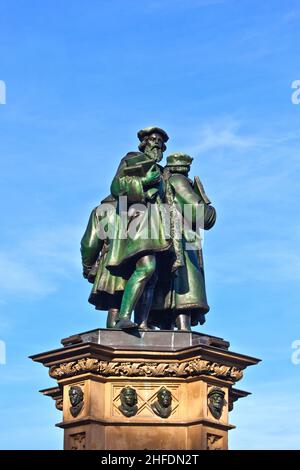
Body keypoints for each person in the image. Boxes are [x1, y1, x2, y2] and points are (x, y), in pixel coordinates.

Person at [105, 126, 172, 329]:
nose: (157, 143)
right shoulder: (132, 159)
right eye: (153, 139)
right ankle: (124, 317)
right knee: (147, 267)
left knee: (153, 276)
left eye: (160, 141)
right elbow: (117, 187)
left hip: (158, 225)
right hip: (137, 220)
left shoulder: (164, 173)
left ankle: (142, 323)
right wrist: (143, 182)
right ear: (144, 143)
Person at [149, 153, 216, 331]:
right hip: (182, 242)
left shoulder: (162, 182)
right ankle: (182, 326)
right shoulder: (178, 181)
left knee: (166, 285)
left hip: (164, 241)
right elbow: (199, 214)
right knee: (183, 283)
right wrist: (207, 205)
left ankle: (167, 325)